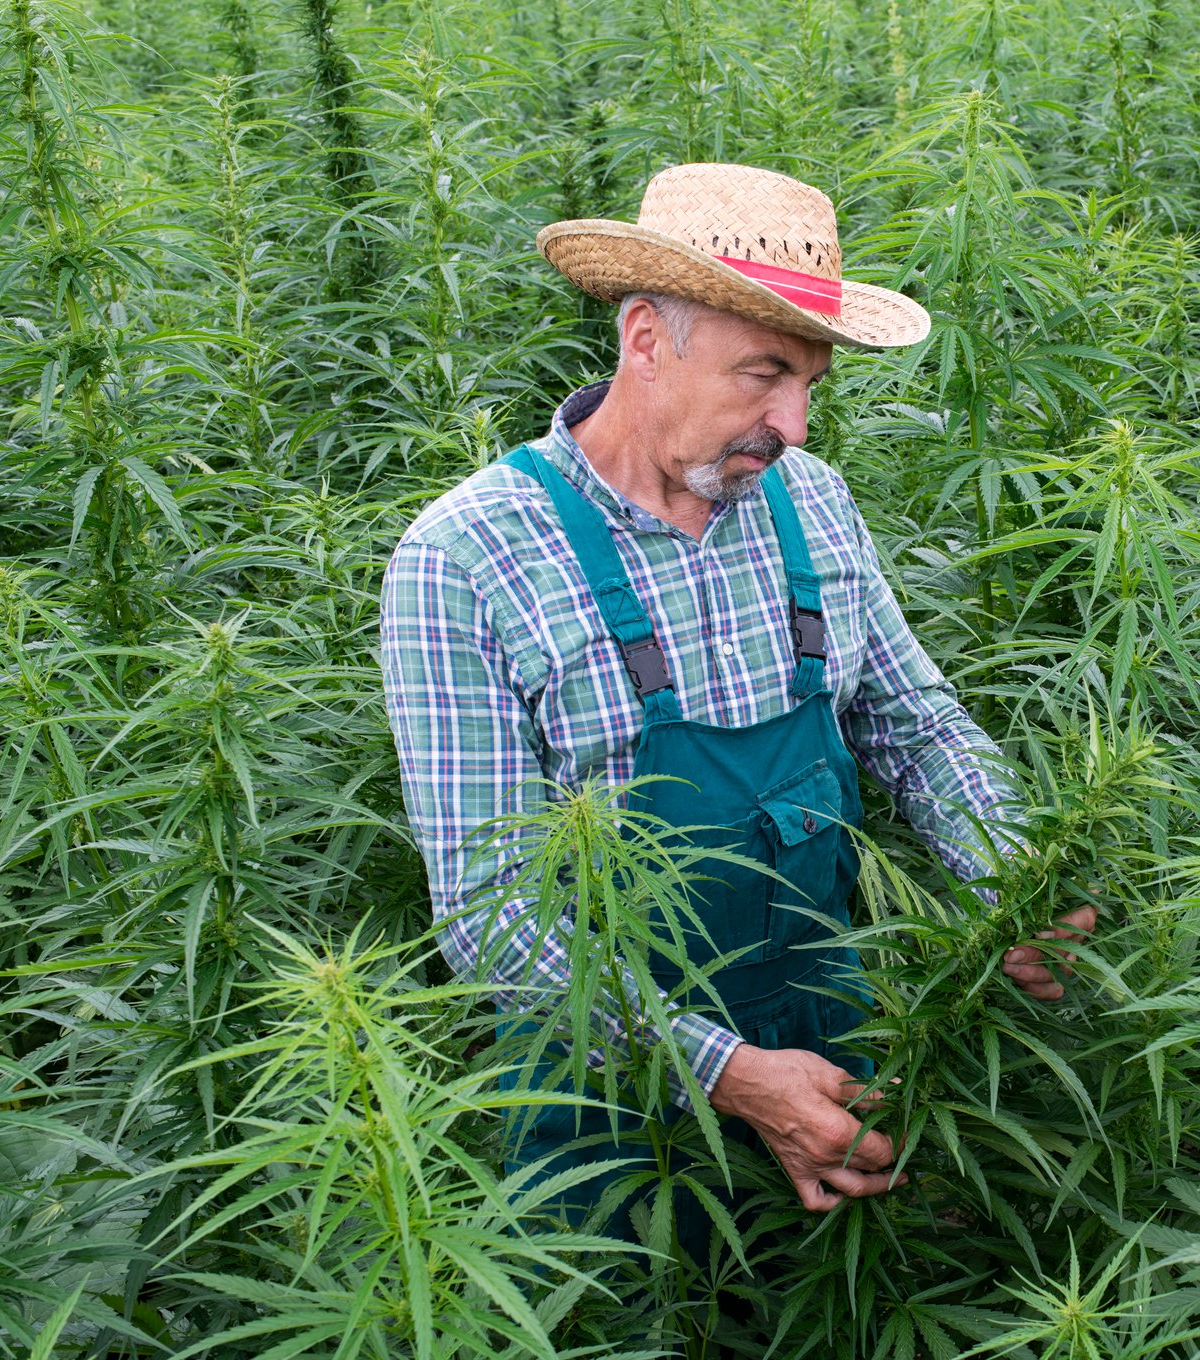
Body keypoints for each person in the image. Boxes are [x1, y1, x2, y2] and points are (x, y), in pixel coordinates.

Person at [378, 162, 1092, 1242]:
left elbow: (916, 724)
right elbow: (491, 912)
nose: (793, 426)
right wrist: (729, 1076)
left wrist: (1013, 876)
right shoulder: (464, 558)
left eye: (811, 382)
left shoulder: (811, 502)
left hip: (838, 1049)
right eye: (764, 374)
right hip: (611, 1109)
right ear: (646, 341)